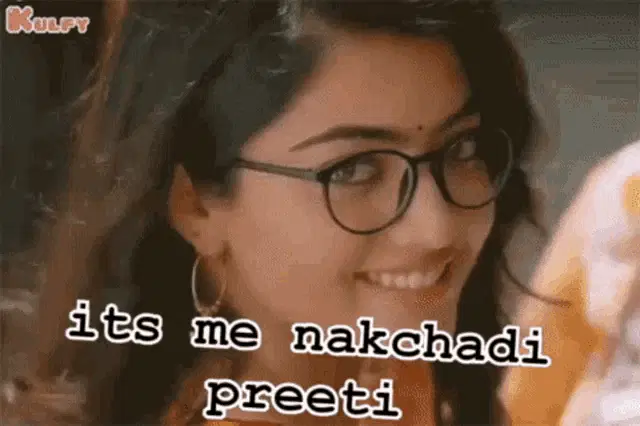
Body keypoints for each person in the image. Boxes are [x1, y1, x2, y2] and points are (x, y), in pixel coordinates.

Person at [4, 0, 545, 425]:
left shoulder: (396, 373)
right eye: (354, 170)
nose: (436, 226)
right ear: (194, 204)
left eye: (462, 147)